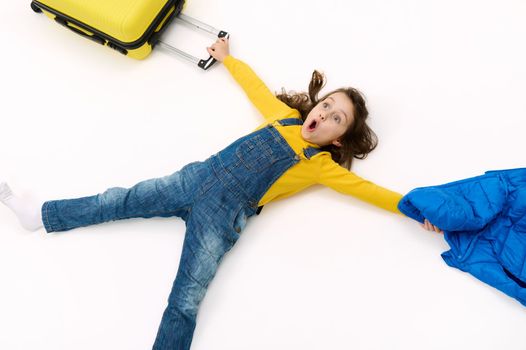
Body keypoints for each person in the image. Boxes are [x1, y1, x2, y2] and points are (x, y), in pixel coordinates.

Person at [0, 37, 441, 350]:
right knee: (119, 199)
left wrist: (413, 208)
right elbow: (254, 86)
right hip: (192, 179)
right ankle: (40, 214)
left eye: (336, 119)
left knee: (187, 294)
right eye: (327, 105)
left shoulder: (319, 166)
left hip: (222, 217)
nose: (325, 114)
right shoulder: (284, 116)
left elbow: (369, 190)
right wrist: (229, 58)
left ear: (337, 141)